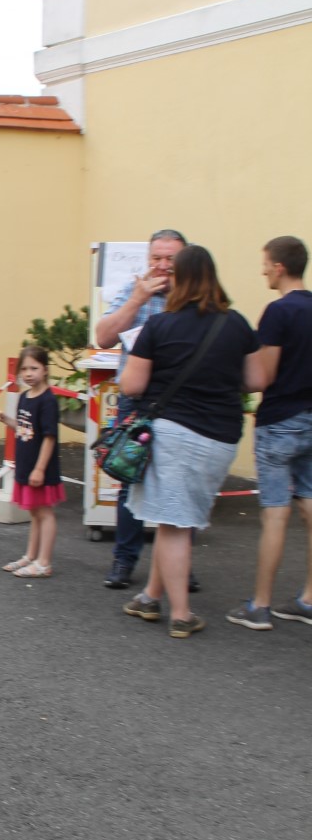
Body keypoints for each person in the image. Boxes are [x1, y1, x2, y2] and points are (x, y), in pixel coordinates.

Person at [119, 245, 259, 639]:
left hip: (173, 432)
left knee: (175, 523)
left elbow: (131, 384)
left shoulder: (161, 326)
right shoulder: (236, 324)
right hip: (221, 437)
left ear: (178, 279)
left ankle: (180, 614)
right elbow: (255, 380)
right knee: (173, 517)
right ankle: (149, 596)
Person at [95, 229, 191, 590]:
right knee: (127, 481)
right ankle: (124, 560)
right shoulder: (133, 293)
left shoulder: (194, 298)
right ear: (148, 260)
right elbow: (103, 336)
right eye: (157, 258)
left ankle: (182, 568)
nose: (163, 266)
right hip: (136, 405)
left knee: (179, 487)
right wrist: (136, 301)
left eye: (171, 259)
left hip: (181, 406)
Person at [227, 235, 312, 630]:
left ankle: (260, 605)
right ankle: (308, 599)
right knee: (310, 507)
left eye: (265, 263)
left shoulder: (278, 313)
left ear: (279, 267)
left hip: (280, 421)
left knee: (275, 515)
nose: (262, 270)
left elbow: (264, 376)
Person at [0, 345, 65, 578]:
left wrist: (40, 469)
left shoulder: (48, 401)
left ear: (45, 370)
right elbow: (25, 429)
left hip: (40, 467)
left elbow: (49, 437)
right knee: (34, 513)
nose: (28, 373)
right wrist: (6, 420)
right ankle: (31, 556)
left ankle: (44, 562)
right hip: (27, 464)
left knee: (45, 513)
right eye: (24, 369)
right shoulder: (25, 397)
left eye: (34, 368)